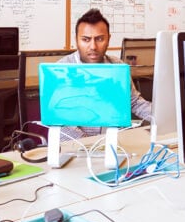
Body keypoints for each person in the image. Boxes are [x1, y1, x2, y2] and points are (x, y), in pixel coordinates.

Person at [58, 8, 152, 139]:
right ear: (76, 40)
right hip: (74, 145)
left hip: (114, 142)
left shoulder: (117, 66)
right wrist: (90, 144)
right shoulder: (61, 69)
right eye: (85, 39)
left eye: (99, 39)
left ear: (108, 39)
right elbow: (60, 120)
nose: (93, 46)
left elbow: (134, 102)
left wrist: (163, 117)